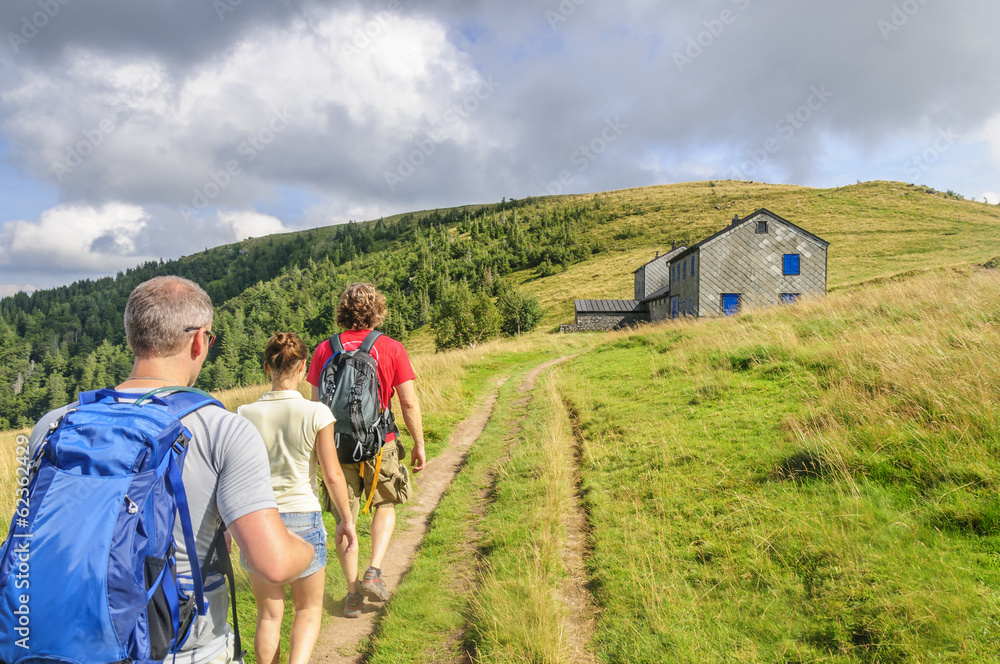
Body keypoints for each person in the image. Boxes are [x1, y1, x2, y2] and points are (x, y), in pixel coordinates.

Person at [27, 275, 316, 664]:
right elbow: (274, 563)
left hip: (64, 639)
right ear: (199, 341)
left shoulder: (54, 425)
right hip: (182, 646)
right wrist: (308, 547)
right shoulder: (223, 429)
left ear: (133, 339)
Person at [236, 332, 357, 664]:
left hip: (259, 521)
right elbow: (332, 475)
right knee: (308, 608)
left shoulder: (244, 414)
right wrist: (346, 520)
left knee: (268, 615)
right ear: (304, 366)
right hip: (304, 516)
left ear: (267, 367)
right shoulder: (317, 413)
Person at [306, 282, 426, 618]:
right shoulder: (390, 348)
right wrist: (418, 443)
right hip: (380, 443)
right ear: (378, 311)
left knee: (346, 519)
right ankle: (374, 569)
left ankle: (353, 593)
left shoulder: (323, 350)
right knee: (386, 502)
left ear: (342, 312)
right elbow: (408, 401)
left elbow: (315, 408)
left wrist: (317, 453)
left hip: (336, 448)